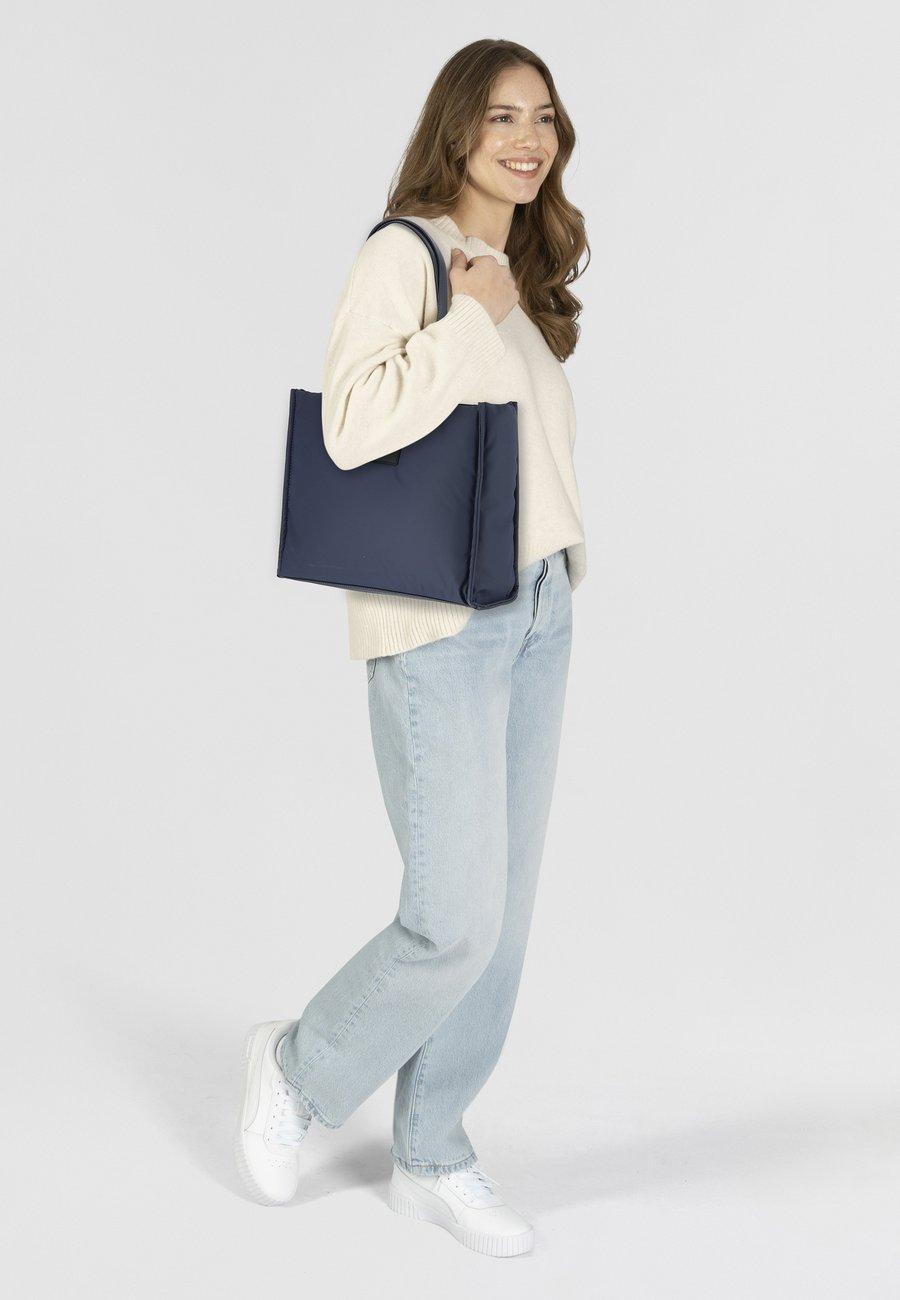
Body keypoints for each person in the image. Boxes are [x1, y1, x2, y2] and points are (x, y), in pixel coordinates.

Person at [236, 38, 589, 1257]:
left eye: (544, 117)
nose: (529, 139)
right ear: (457, 129)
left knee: (505, 924)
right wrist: (469, 321)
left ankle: (433, 1148)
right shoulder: (408, 255)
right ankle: (297, 1067)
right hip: (442, 622)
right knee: (453, 918)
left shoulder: (515, 271)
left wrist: (560, 571)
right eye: (503, 116)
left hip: (535, 609)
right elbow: (351, 424)